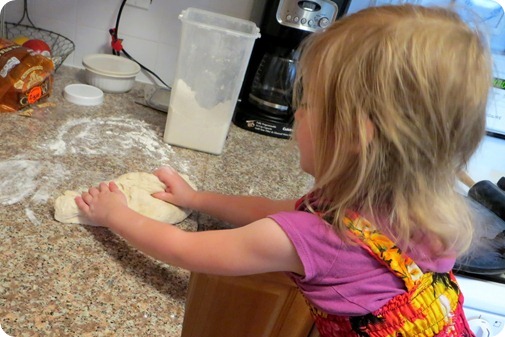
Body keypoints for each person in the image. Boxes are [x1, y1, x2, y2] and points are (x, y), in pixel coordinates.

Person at [75, 4, 492, 336]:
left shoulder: (321, 239)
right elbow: (277, 210)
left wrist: (116, 214)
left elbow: (186, 252)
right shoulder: (423, 211)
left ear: (353, 135)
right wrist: (195, 199)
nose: (298, 112)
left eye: (309, 102)